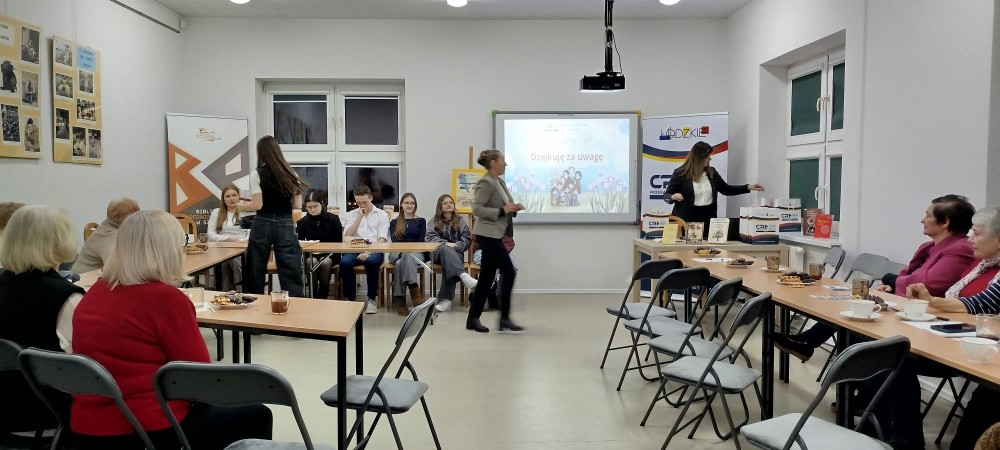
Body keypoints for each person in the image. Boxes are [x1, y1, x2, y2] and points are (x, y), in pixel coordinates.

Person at [71, 210, 272, 450]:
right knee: (258, 414)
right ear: (168, 250)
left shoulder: (94, 293)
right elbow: (199, 377)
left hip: (86, 426)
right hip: (148, 426)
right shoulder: (166, 299)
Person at [854, 206, 1000, 450]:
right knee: (887, 355)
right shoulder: (980, 264)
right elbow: (956, 299)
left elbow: (978, 304)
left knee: (894, 358)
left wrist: (930, 300)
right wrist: (927, 298)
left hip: (979, 348)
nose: (970, 239)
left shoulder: (962, 253)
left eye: (976, 233)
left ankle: (904, 440)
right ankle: (885, 433)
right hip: (956, 335)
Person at [773, 195, 977, 361]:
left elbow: (926, 284)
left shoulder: (961, 249)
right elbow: (908, 276)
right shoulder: (929, 247)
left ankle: (809, 344)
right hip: (907, 304)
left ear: (945, 222)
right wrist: (891, 286)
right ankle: (808, 343)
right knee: (852, 311)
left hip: (925, 316)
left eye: (928, 215)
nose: (922, 220)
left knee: (857, 323)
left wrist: (892, 280)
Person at [0, 206, 81, 436]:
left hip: (6, 404)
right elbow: (85, 364)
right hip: (47, 408)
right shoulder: (65, 297)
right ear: (59, 242)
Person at [239, 136, 306, 297]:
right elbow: (297, 205)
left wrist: (238, 206)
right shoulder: (290, 173)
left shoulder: (257, 174)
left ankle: (253, 303)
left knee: (255, 266)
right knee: (290, 267)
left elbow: (257, 205)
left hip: (262, 222)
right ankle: (295, 303)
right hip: (285, 222)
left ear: (261, 152)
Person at [467, 149, 524, 333]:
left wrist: (513, 208)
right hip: (487, 235)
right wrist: (502, 211)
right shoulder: (486, 182)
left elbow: (505, 206)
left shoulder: (499, 182)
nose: (505, 164)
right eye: (502, 161)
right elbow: (477, 209)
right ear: (493, 163)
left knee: (486, 278)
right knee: (509, 271)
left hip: (496, 234)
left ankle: (473, 319)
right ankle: (504, 318)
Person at [664, 141, 763, 239]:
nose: (710, 158)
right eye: (707, 156)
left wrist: (747, 187)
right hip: (687, 220)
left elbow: (727, 189)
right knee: (688, 247)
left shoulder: (712, 173)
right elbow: (666, 195)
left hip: (708, 219)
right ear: (698, 158)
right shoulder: (680, 174)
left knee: (708, 248)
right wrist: (673, 196)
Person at [340, 185, 389, 314]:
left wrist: (369, 252)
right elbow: (347, 237)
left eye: (364, 202)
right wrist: (358, 218)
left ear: (371, 198)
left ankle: (372, 299)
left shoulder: (382, 215)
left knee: (371, 262)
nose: (362, 205)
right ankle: (350, 299)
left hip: (374, 249)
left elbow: (382, 239)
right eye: (358, 203)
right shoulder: (351, 215)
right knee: (344, 262)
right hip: (354, 248)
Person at [426, 194, 478, 312]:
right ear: (440, 206)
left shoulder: (460, 221)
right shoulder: (433, 222)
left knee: (449, 264)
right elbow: (430, 239)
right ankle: (463, 276)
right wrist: (446, 244)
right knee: (445, 249)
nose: (448, 204)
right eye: (445, 203)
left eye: (450, 202)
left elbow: (467, 240)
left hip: (455, 253)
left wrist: (456, 245)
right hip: (437, 254)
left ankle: (446, 300)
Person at [72, 198, 140, 274]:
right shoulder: (110, 237)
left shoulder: (106, 227)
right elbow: (116, 269)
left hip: (86, 276)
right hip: (82, 279)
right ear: (128, 220)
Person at [386, 193, 428, 316]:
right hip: (397, 252)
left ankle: (400, 299)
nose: (409, 205)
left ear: (415, 205)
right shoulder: (394, 222)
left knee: (400, 263)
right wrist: (405, 250)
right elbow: (395, 242)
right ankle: (414, 288)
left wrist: (409, 250)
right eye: (406, 203)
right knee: (404, 257)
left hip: (416, 253)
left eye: (412, 203)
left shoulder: (421, 221)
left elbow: (420, 241)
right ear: (401, 205)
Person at [297, 189, 343, 299]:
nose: (312, 210)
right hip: (311, 253)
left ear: (321, 204)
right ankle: (312, 293)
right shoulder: (302, 222)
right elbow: (300, 243)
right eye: (309, 207)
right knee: (310, 262)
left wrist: (325, 250)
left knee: (325, 263)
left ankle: (323, 293)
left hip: (331, 253)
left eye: (315, 206)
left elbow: (338, 243)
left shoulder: (333, 219)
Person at [207, 184, 245, 291]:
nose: (231, 198)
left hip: (243, 249)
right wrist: (228, 238)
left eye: (234, 195)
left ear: (239, 197)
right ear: (223, 200)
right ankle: (241, 283)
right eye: (228, 196)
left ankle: (226, 293)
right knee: (228, 257)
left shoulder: (246, 212)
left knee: (231, 257)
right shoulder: (217, 212)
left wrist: (240, 241)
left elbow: (252, 234)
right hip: (222, 249)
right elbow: (211, 235)